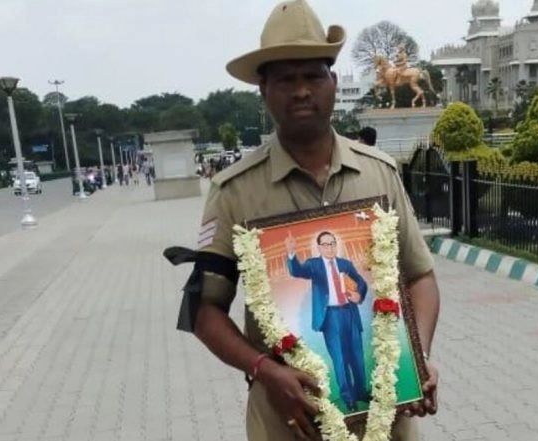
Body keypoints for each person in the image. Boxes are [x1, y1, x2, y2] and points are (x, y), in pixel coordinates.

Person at [182, 1, 441, 440]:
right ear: (263, 91)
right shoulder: (235, 193)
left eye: (312, 75)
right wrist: (263, 369)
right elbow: (205, 313)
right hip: (288, 424)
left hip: (386, 423)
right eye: (285, 79)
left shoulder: (380, 173)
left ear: (333, 83)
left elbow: (421, 277)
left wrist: (415, 359)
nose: (301, 90)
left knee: (356, 367)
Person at [285, 230, 370, 413]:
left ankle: (361, 392)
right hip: (330, 317)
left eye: (332, 244)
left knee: (357, 355)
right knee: (340, 358)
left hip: (350, 313)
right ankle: (348, 398)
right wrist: (291, 253)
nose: (330, 247)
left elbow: (361, 282)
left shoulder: (345, 264)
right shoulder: (313, 265)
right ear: (319, 247)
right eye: (325, 244)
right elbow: (296, 271)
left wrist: (358, 294)